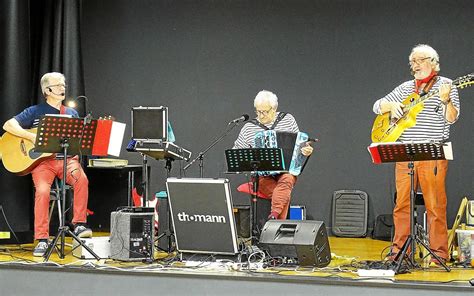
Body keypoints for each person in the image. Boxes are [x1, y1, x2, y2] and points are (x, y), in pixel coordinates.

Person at [372, 44, 460, 265]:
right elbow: (376, 106)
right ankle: (400, 252)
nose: (415, 65)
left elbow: (451, 118)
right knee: (402, 204)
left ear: (433, 61)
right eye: (413, 62)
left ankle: (438, 255)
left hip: (431, 153)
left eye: (420, 60)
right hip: (404, 154)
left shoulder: (447, 85)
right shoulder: (405, 88)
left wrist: (446, 100)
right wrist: (390, 106)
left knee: (435, 205)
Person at [3, 72, 92, 257]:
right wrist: (30, 136)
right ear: (47, 90)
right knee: (42, 191)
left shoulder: (71, 113)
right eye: (58, 85)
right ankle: (42, 239)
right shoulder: (35, 111)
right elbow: (8, 125)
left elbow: (79, 142)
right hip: (43, 164)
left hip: (67, 161)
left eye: (63, 85)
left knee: (81, 179)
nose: (63, 88)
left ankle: (79, 224)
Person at [233, 90, 313, 220]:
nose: (261, 115)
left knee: (287, 178)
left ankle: (274, 219)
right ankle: (276, 219)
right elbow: (237, 151)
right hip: (262, 176)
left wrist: (306, 150)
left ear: (274, 109)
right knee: (283, 194)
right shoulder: (248, 128)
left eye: (265, 111)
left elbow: (300, 144)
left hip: (285, 172)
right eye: (258, 111)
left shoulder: (288, 119)